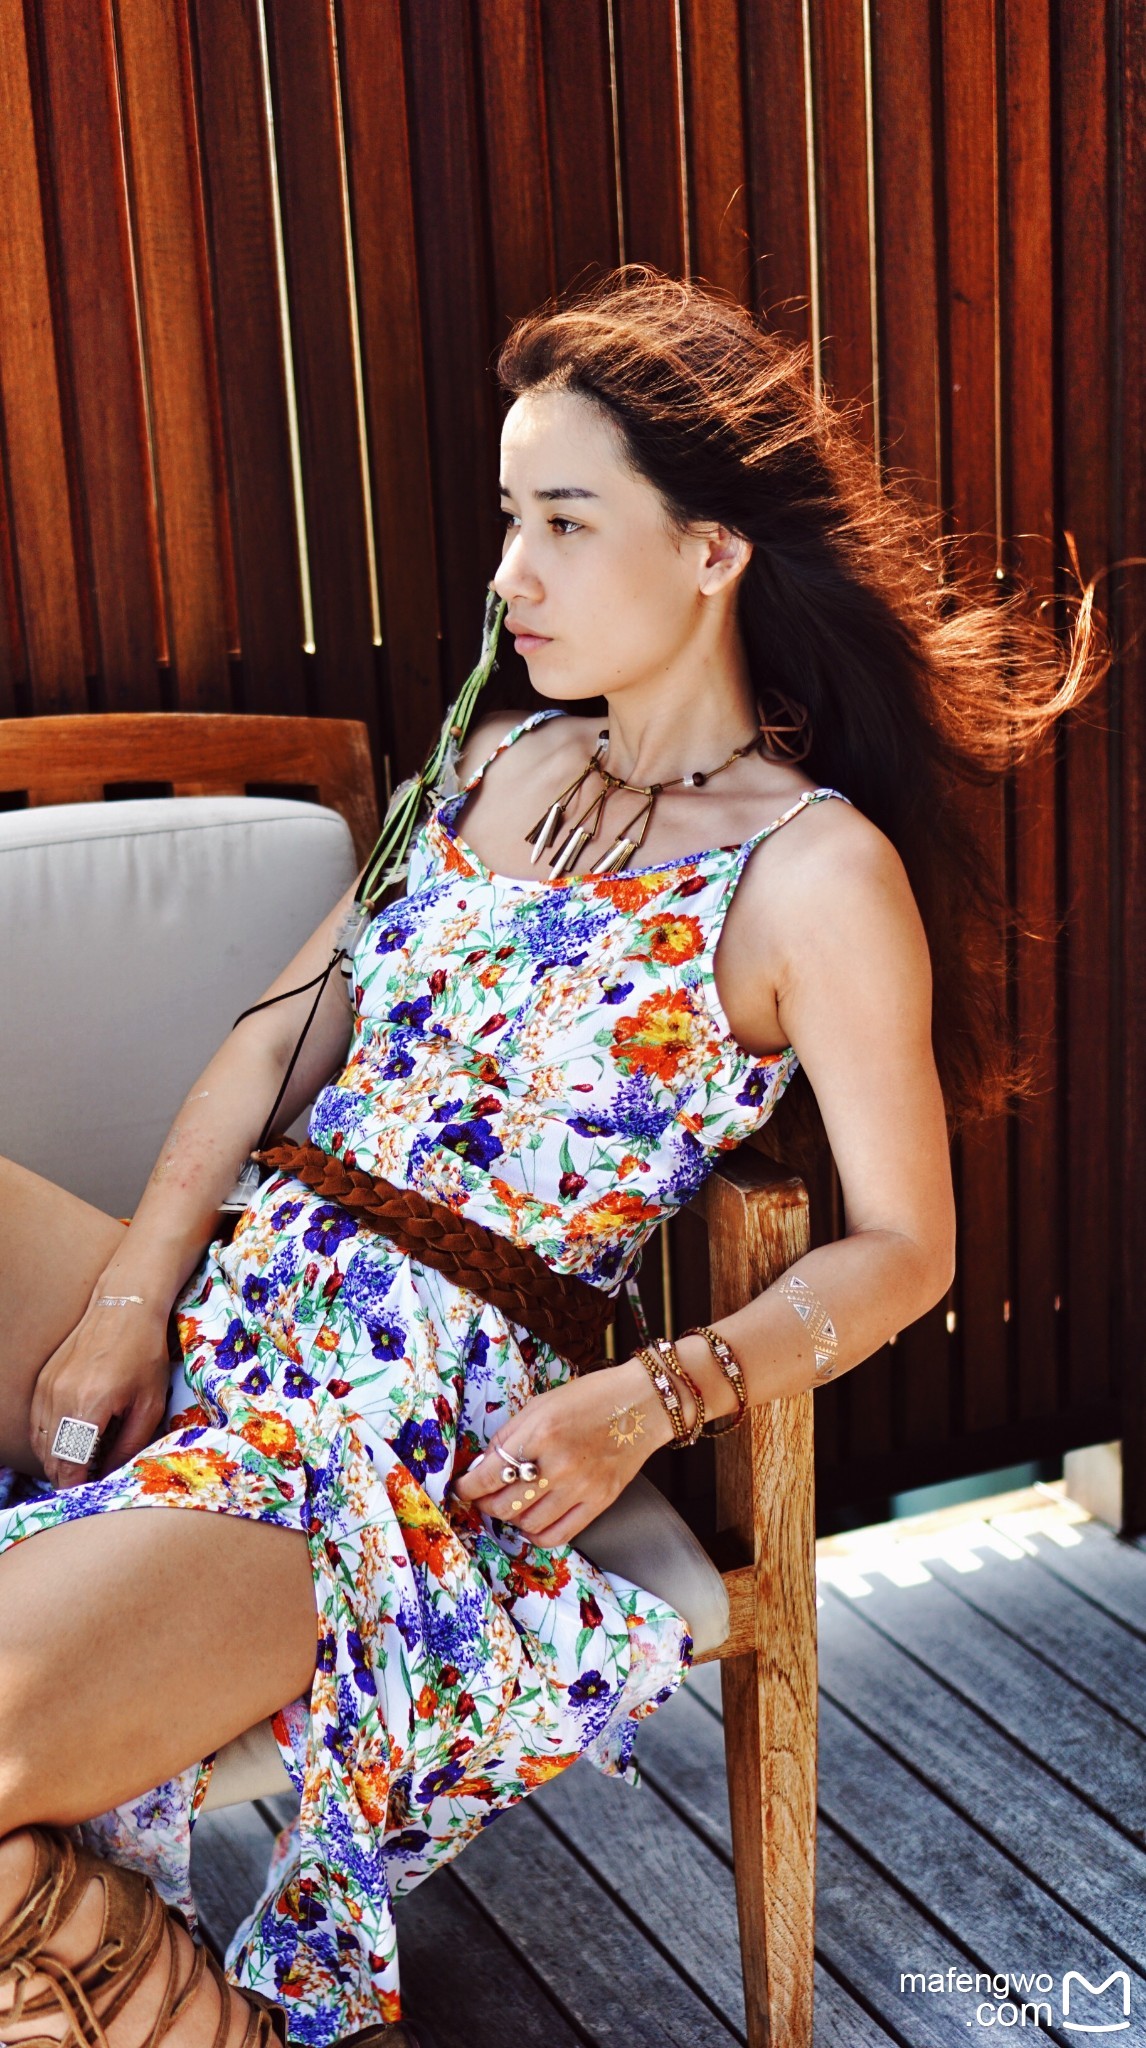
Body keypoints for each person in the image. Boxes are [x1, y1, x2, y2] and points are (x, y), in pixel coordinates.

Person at [0, 269, 1105, 2048]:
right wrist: (132, 1300)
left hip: (385, 1433)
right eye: (511, 518)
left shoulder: (814, 877)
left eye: (565, 524)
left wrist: (654, 1399)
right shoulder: (495, 757)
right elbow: (279, 1039)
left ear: (711, 551)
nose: (509, 573)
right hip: (228, 1300)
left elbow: (907, 1248)